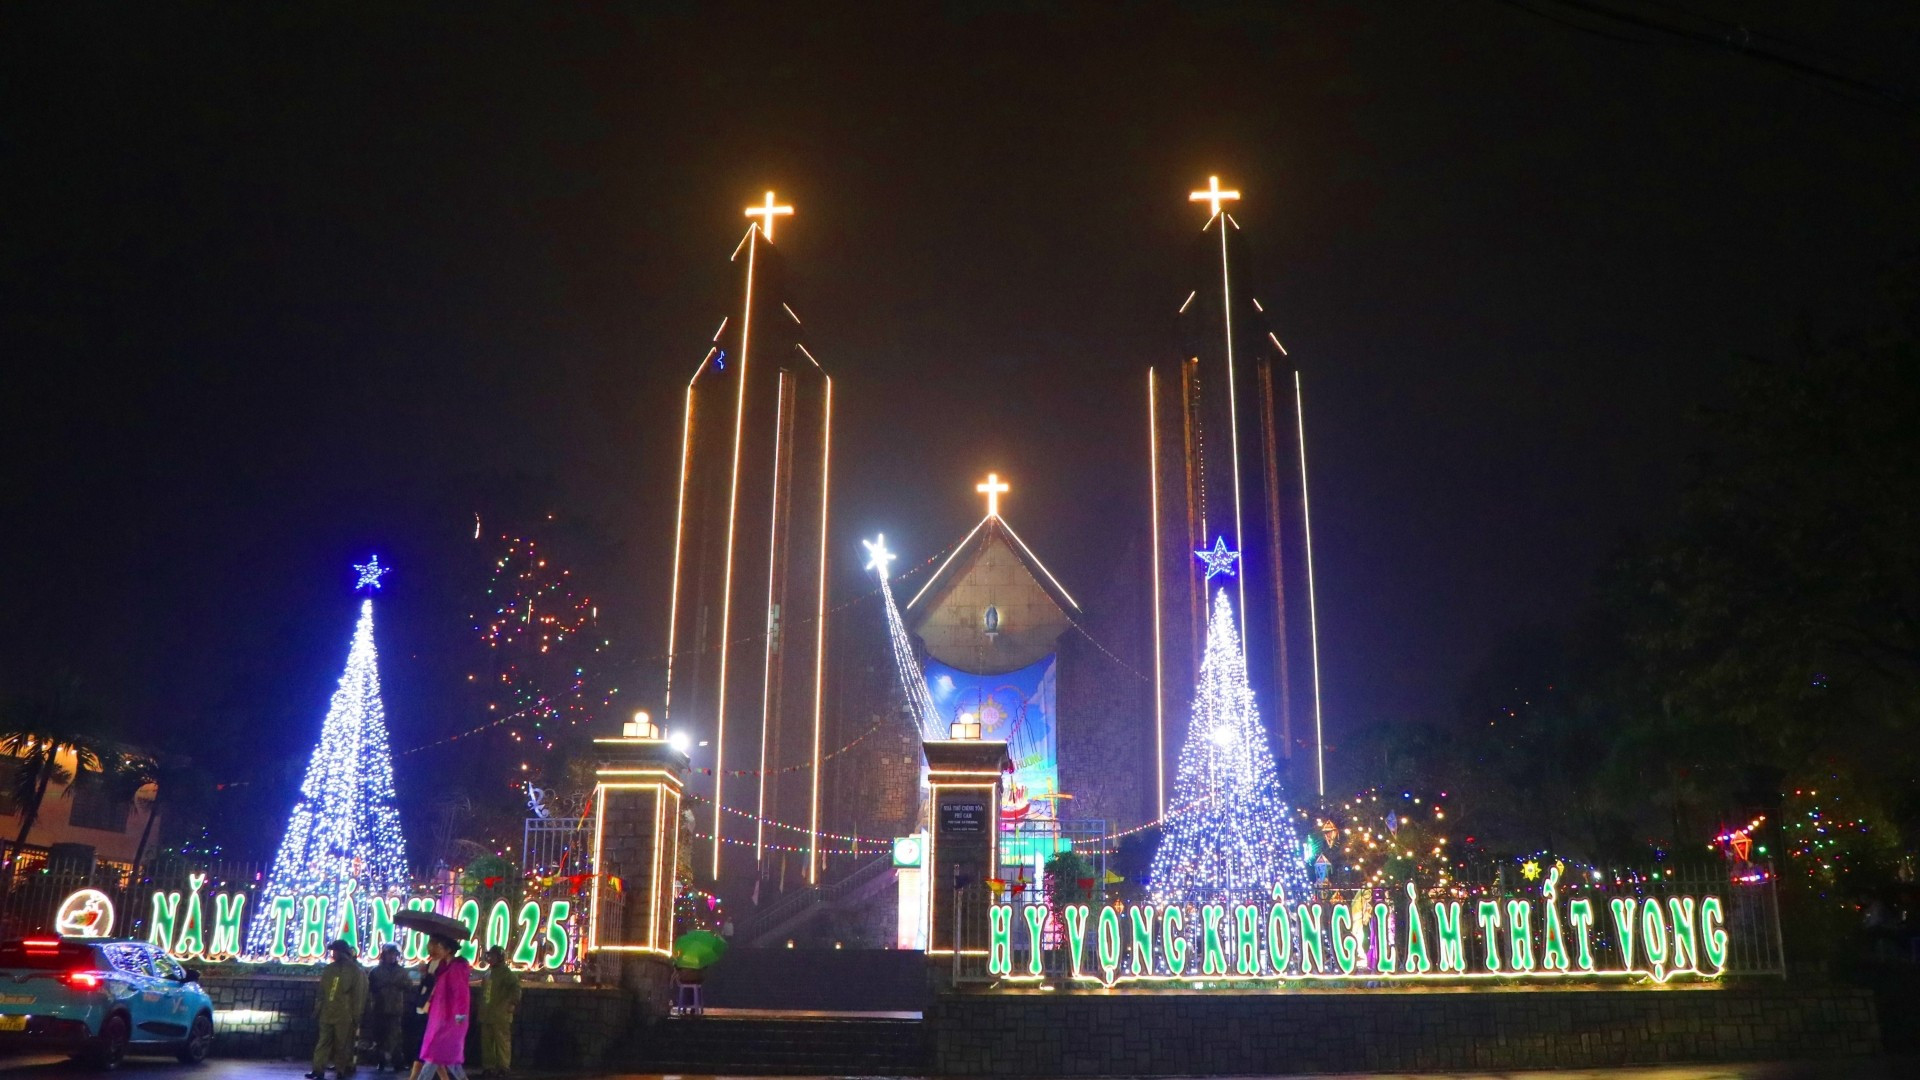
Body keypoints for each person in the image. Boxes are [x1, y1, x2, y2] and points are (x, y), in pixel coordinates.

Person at [309, 939, 369, 1080]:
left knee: (342, 1043)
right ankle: (318, 1069)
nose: (333, 954)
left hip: (344, 1013)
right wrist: (318, 1010)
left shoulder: (355, 971)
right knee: (324, 1041)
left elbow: (358, 995)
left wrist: (356, 1014)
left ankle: (340, 1070)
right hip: (328, 1011)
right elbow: (322, 992)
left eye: (335, 951)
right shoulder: (329, 969)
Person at [416, 935, 472, 1080]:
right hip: (441, 1019)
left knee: (435, 1055)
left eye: (437, 945)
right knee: (449, 1059)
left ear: (448, 950)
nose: (432, 949)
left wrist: (460, 1018)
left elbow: (461, 995)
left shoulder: (455, 969)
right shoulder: (444, 968)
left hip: (448, 1022)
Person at [365, 944, 411, 1072]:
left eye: (394, 954)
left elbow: (408, 986)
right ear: (384, 955)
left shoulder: (401, 971)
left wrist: (399, 984)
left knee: (395, 1037)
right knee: (379, 1036)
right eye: (389, 954)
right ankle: (381, 1062)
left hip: (395, 1009)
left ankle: (397, 1063)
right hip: (379, 1007)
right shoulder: (376, 971)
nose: (392, 957)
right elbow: (370, 988)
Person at [478, 946, 521, 1078]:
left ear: (500, 958)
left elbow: (516, 990)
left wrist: (511, 1005)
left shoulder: (507, 974)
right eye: (489, 956)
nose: (490, 958)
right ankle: (489, 1066)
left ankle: (503, 1067)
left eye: (493, 956)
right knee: (487, 1042)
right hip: (487, 1015)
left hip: (500, 1014)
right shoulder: (488, 973)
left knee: (502, 1042)